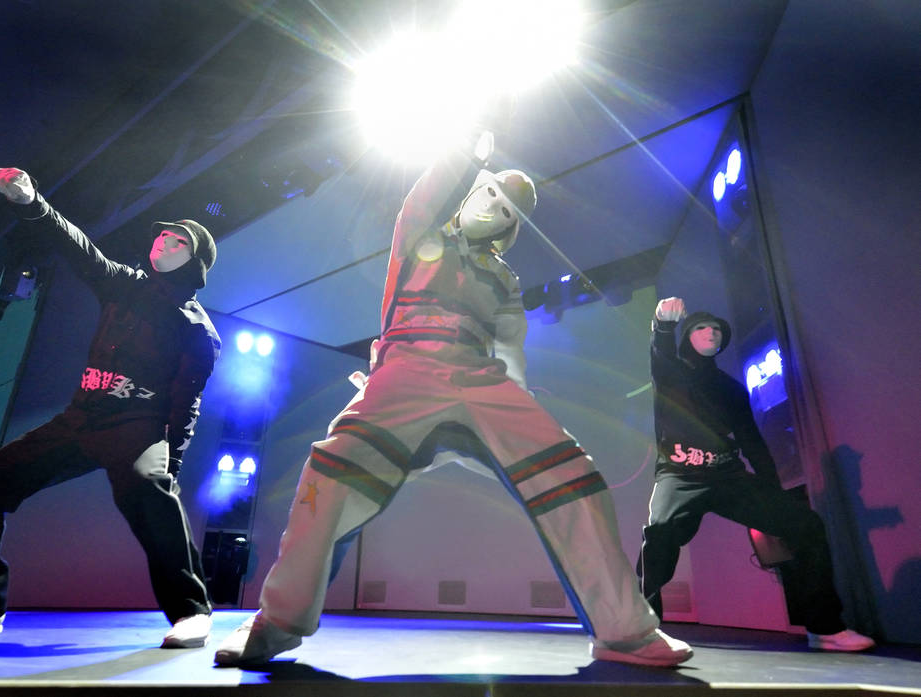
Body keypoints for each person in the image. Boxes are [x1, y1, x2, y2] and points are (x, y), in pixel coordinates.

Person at [213, 131, 693, 668]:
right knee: (329, 472)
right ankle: (275, 622)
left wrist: (520, 416)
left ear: (512, 226)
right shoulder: (419, 237)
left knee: (573, 476)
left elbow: (511, 351)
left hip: (483, 382)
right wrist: (467, 147)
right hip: (404, 373)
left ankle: (624, 632)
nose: (494, 207)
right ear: (468, 193)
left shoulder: (504, 279)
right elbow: (424, 195)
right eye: (489, 192)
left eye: (507, 207)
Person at [0, 168, 220, 648]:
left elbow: (185, 402)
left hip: (137, 426)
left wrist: (171, 456)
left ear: (196, 264)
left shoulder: (196, 327)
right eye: (162, 238)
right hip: (80, 418)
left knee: (149, 491)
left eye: (177, 244)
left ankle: (192, 612)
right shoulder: (123, 285)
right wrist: (31, 203)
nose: (162, 245)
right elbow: (79, 249)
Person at [637, 296, 875, 652]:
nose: (712, 333)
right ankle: (641, 632)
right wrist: (663, 324)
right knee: (659, 536)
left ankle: (825, 627)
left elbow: (751, 438)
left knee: (806, 525)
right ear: (687, 335)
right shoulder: (671, 375)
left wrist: (772, 490)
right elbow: (661, 354)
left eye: (717, 329)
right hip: (680, 476)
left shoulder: (730, 387)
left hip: (727, 475)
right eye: (702, 328)